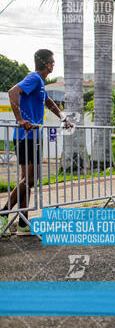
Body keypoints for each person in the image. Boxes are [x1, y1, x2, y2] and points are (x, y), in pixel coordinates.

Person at [1, 49, 72, 236]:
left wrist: (63, 117)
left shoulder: (39, 83)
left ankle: (23, 223)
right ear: (48, 64)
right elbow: (12, 92)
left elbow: (47, 101)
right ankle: (3, 213)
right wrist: (19, 119)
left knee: (28, 180)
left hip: (33, 136)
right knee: (29, 179)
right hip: (26, 136)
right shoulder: (34, 78)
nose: (54, 64)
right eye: (52, 62)